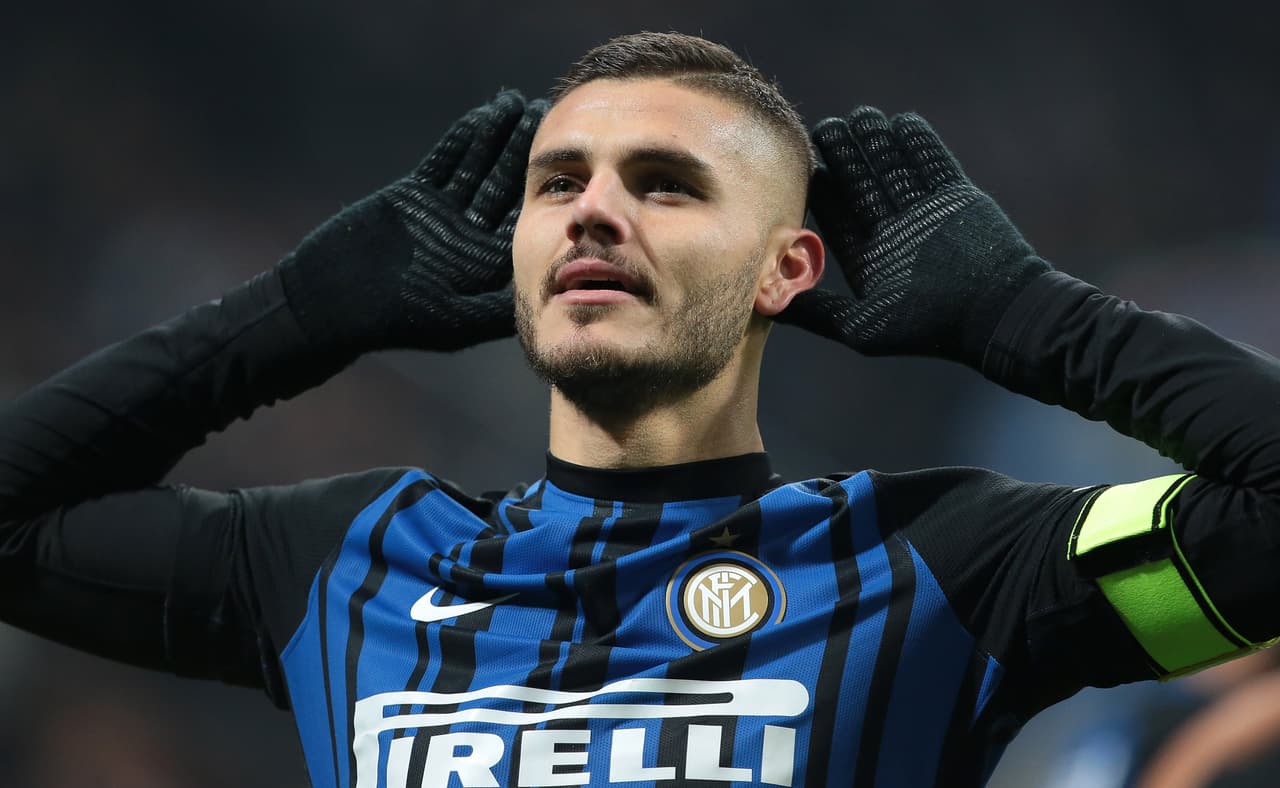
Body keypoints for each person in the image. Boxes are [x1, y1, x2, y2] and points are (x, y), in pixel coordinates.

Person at [1, 30, 1277, 788]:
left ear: (788, 264)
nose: (591, 210)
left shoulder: (939, 564)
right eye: (557, 183)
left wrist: (1019, 313)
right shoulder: (344, 561)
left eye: (664, 185)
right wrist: (295, 316)